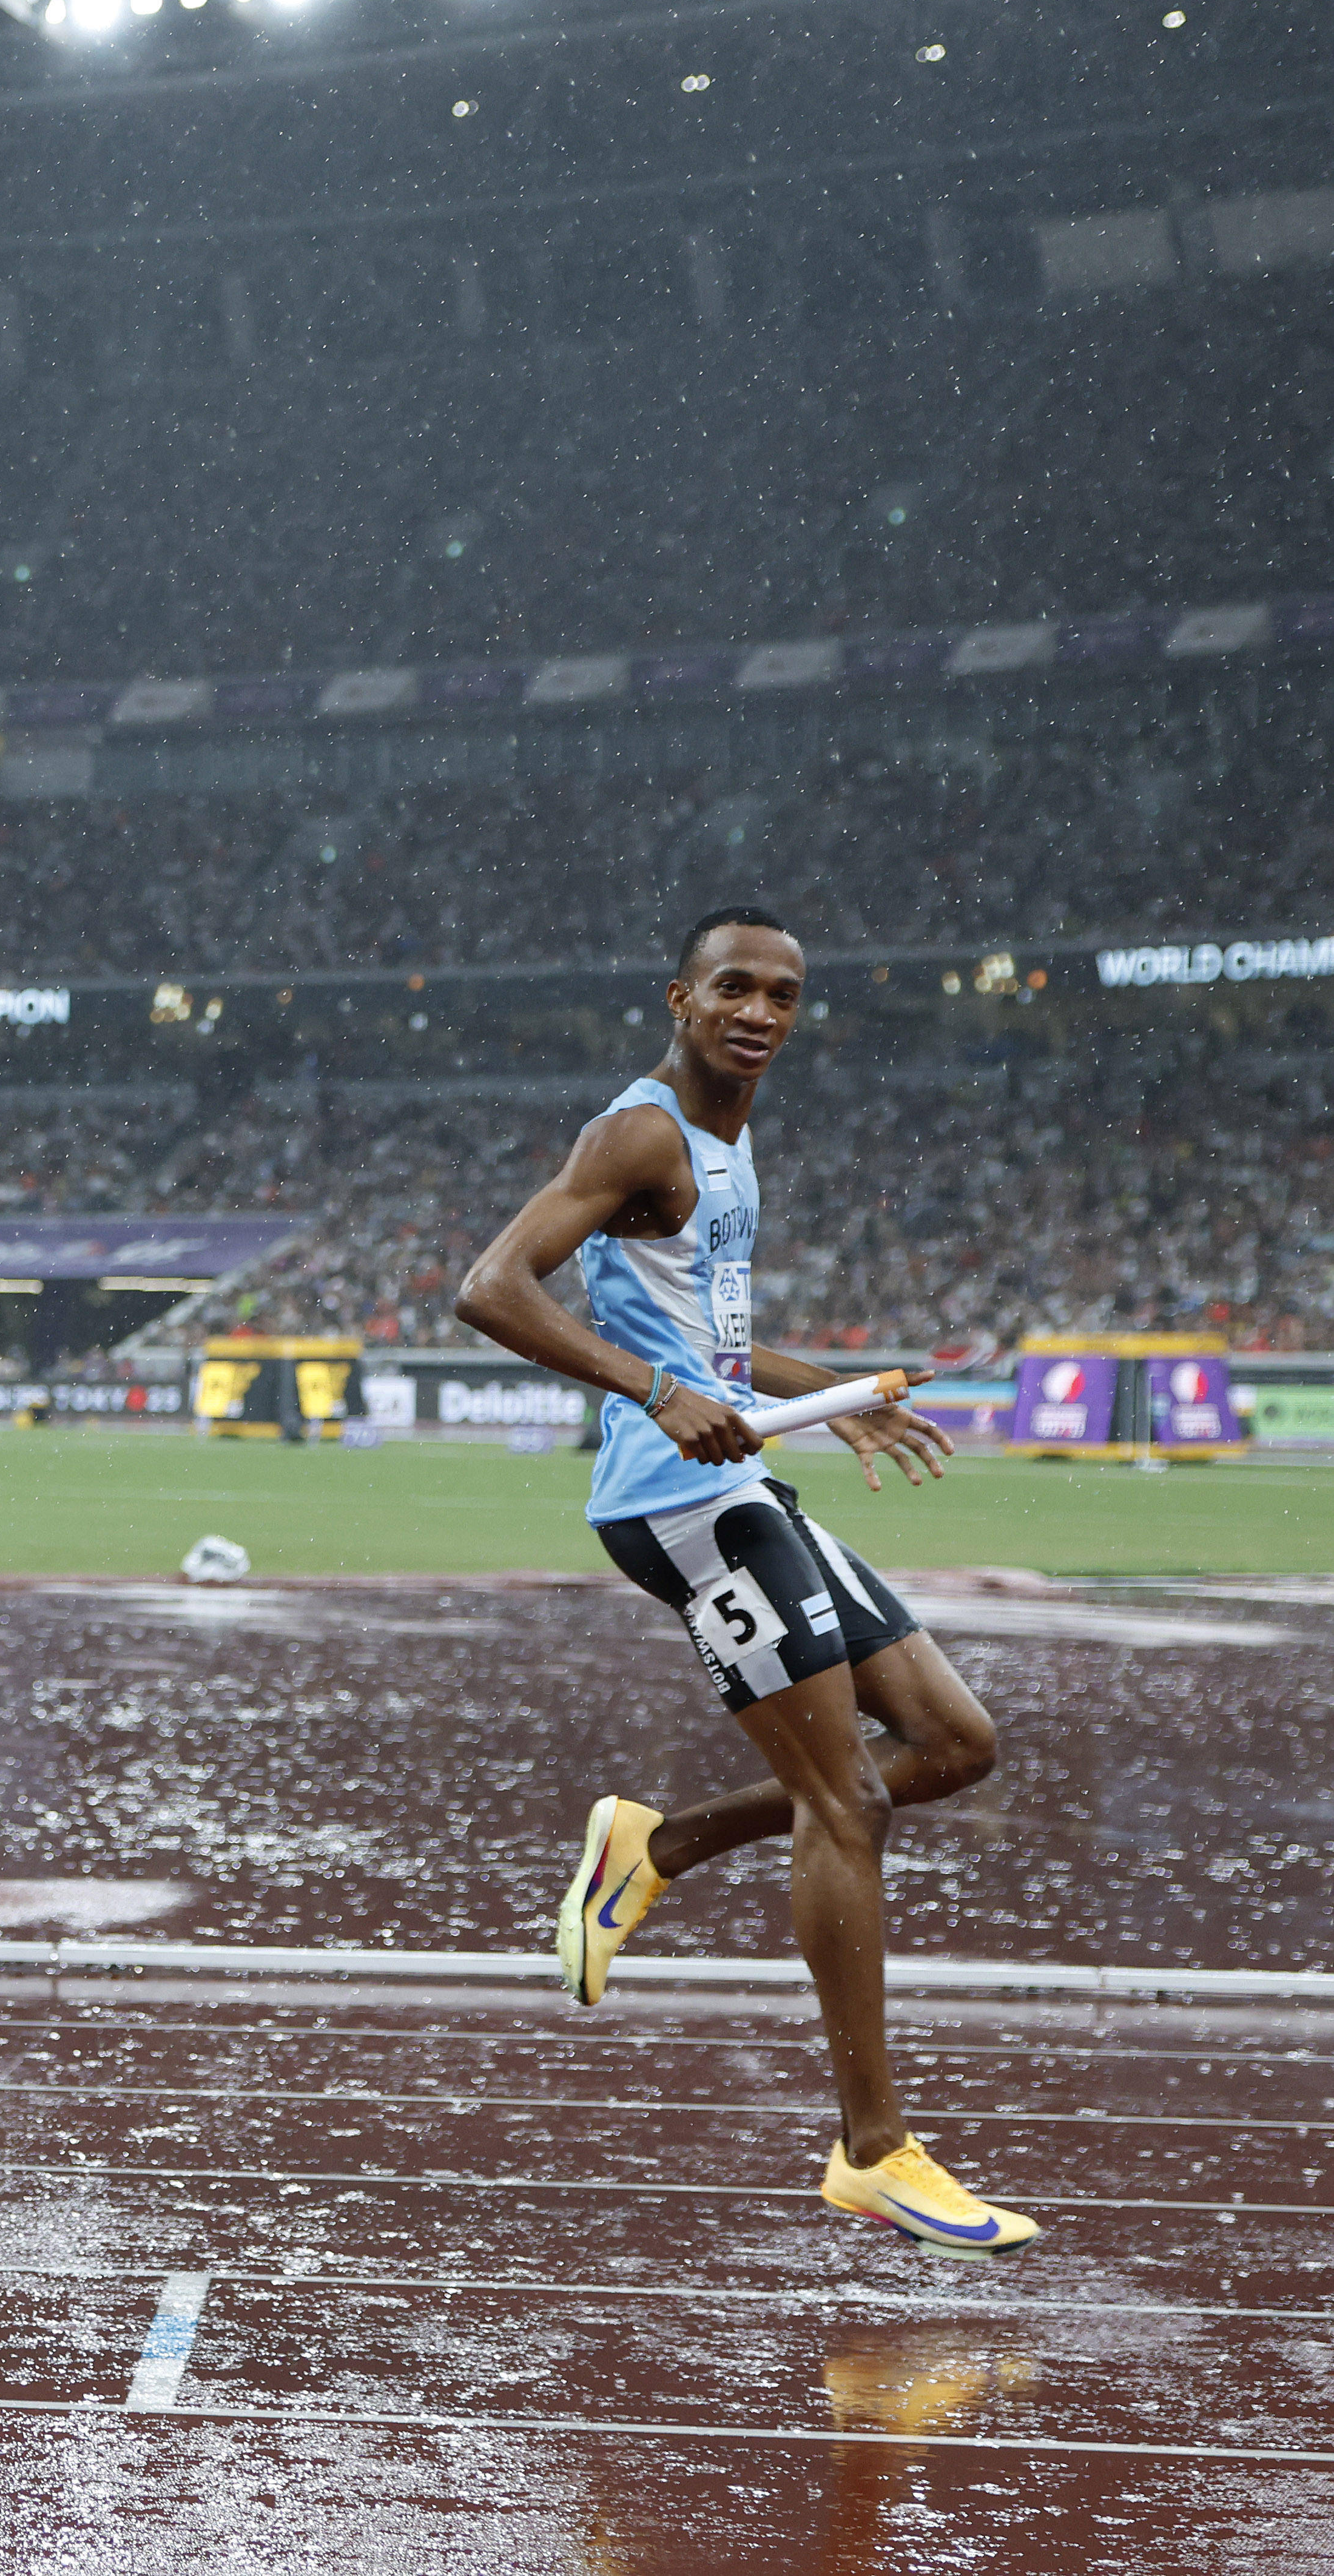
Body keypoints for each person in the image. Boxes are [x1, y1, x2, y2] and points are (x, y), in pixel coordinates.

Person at [453, 905, 1030, 2259]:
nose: (760, 1009)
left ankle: (659, 1845)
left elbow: (710, 1335)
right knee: (850, 1796)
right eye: (733, 987)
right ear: (680, 996)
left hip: (742, 1485)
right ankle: (872, 2149)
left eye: (781, 992)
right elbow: (489, 1287)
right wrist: (652, 1393)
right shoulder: (642, 1131)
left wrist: (831, 1395)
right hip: (677, 1505)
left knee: (951, 1742)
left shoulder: (727, 1138)